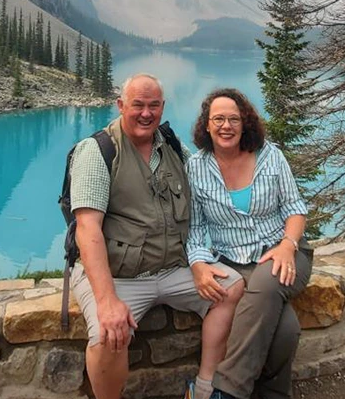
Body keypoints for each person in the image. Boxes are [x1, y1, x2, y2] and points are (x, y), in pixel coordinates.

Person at [69, 74, 244, 399]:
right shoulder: (98, 151)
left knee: (231, 287)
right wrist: (107, 302)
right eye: (137, 105)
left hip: (173, 268)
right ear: (121, 105)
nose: (146, 114)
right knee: (109, 336)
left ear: (162, 108)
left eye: (153, 106)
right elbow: (87, 229)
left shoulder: (173, 146)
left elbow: (208, 189)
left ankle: (205, 389)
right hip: (119, 276)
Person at [186, 88, 314, 399]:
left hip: (283, 251)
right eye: (218, 119)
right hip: (229, 259)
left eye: (233, 119)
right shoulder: (196, 167)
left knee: (268, 284)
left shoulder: (271, 156)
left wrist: (287, 245)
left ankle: (227, 391)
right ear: (206, 125)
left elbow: (295, 208)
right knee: (285, 331)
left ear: (245, 123)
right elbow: (194, 226)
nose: (226, 126)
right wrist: (198, 264)